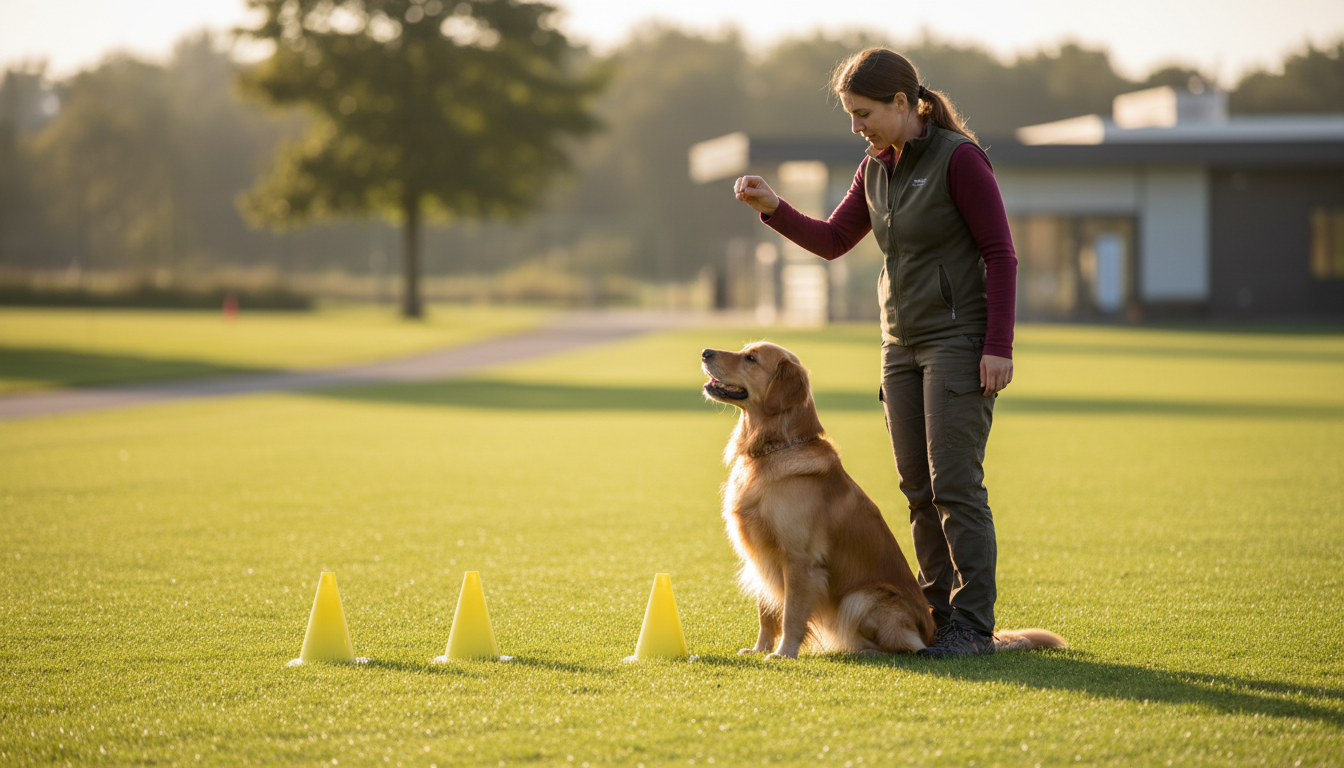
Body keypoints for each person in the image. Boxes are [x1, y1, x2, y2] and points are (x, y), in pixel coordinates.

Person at [732, 47, 1018, 658]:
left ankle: (972, 625)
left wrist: (998, 346)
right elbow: (836, 239)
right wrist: (775, 210)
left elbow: (1001, 254)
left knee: (955, 486)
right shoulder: (875, 167)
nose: (856, 126)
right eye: (850, 115)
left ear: (901, 103)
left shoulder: (959, 160)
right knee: (916, 487)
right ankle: (936, 612)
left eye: (863, 113)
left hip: (958, 342)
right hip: (900, 346)